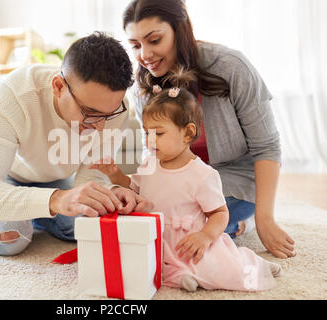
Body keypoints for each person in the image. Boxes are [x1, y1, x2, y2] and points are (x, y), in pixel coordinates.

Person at [121, 0, 295, 259]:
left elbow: (266, 146)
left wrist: (265, 219)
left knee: (196, 214)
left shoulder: (231, 66)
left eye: (154, 40)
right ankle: (227, 229)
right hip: (177, 177)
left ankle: (235, 223)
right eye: (135, 45)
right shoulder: (143, 86)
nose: (144, 55)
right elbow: (154, 152)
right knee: (157, 211)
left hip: (232, 179)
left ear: (179, 31)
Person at [0, 32, 153, 256]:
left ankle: (38, 211)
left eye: (108, 115)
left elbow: (90, 178)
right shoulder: (16, 92)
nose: (100, 126)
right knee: (11, 239)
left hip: (53, 180)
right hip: (5, 175)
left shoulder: (116, 109)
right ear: (58, 86)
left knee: (87, 226)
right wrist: (57, 199)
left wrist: (112, 192)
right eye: (89, 112)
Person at [90, 69, 281, 291]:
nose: (151, 140)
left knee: (220, 269)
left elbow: (219, 213)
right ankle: (180, 275)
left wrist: (205, 236)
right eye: (146, 133)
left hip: (189, 239)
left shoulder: (201, 174)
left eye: (159, 133)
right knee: (141, 265)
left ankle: (251, 263)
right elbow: (132, 191)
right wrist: (114, 173)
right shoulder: (149, 164)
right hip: (157, 236)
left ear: (188, 133)